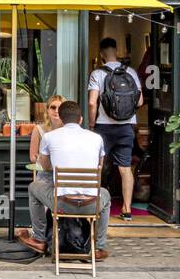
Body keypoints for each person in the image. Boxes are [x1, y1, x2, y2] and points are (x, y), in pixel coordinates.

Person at [17, 101, 110, 260]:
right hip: (91, 204)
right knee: (106, 196)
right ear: (80, 119)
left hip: (61, 203)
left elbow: (46, 167)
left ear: (60, 117)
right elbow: (99, 166)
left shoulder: (49, 137)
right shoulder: (97, 138)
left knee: (33, 187)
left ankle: (39, 238)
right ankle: (99, 247)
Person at [87, 37, 143, 222]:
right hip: (126, 126)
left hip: (103, 126)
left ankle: (93, 207)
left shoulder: (98, 73)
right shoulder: (131, 72)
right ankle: (127, 210)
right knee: (125, 168)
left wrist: (92, 123)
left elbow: (92, 102)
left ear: (102, 53)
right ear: (116, 49)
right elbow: (140, 101)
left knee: (98, 166)